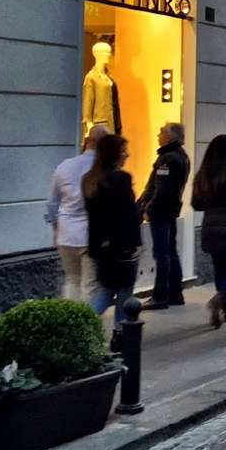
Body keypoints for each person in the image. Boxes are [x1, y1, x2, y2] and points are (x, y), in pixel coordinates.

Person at [82, 133, 141, 349]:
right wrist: (136, 243)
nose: (127, 154)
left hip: (100, 247)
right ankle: (119, 333)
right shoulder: (121, 179)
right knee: (123, 292)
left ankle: (84, 321)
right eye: (124, 150)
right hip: (122, 246)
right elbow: (128, 215)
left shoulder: (89, 180)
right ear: (115, 154)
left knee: (107, 289)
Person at [45, 124, 110, 301]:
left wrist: (55, 227)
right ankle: (86, 323)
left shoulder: (64, 166)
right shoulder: (103, 170)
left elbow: (52, 202)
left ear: (87, 141)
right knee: (89, 284)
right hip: (90, 235)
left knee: (72, 280)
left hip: (66, 232)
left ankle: (70, 322)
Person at [190, 134, 226, 329]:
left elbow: (196, 204)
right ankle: (220, 299)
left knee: (220, 268)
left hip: (210, 226)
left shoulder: (203, 175)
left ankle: (225, 308)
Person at [139, 122, 190, 310]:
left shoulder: (168, 159)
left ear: (171, 136)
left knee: (162, 253)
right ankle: (175, 293)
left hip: (161, 211)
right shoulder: (181, 157)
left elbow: (161, 189)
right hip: (170, 210)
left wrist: (148, 209)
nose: (158, 135)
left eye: (161, 132)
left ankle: (160, 295)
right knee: (170, 251)